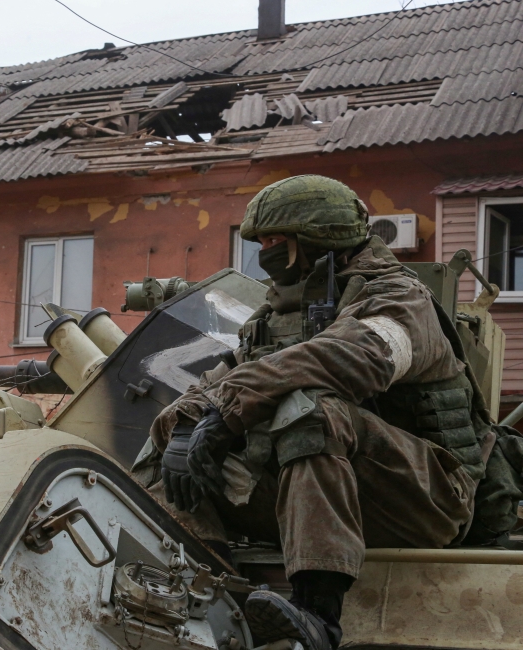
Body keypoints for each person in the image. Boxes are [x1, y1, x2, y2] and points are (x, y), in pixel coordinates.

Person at [148, 175, 523, 650]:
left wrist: (228, 411)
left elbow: (354, 357)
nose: (265, 252)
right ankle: (209, 598)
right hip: (328, 499)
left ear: (317, 238)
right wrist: (185, 426)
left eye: (276, 241)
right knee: (167, 459)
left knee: (315, 412)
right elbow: (215, 384)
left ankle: (317, 615)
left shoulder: (400, 299)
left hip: (427, 498)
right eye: (261, 243)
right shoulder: (275, 318)